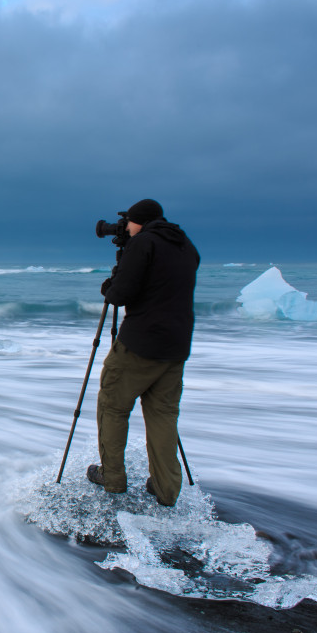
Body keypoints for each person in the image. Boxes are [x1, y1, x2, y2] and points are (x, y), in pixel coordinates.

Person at [86, 198, 200, 507]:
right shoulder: (185, 245)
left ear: (138, 222)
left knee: (112, 404)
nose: (124, 229)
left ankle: (112, 478)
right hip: (176, 346)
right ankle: (166, 488)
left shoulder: (144, 243)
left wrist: (110, 283)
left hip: (140, 344)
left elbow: (120, 294)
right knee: (163, 415)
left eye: (127, 224)